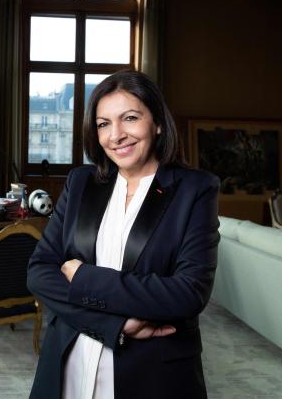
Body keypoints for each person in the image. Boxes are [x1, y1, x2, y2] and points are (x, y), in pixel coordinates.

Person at [27, 70, 220, 399]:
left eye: (130, 118)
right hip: (69, 363)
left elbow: (188, 293)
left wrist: (84, 277)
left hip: (154, 375)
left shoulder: (195, 189)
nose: (116, 135)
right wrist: (112, 326)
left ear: (157, 122)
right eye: (103, 124)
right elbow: (40, 272)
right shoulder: (80, 182)